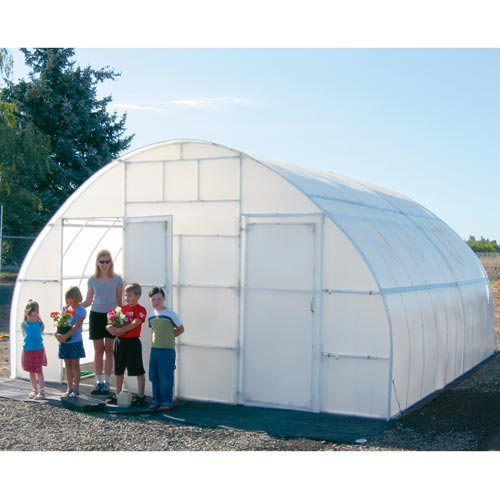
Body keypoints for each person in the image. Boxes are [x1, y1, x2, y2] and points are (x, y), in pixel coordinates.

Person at [81, 249, 123, 395]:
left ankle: (106, 382)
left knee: (109, 350)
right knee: (98, 350)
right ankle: (97, 381)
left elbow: (119, 301)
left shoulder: (117, 279)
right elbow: (87, 301)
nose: (105, 264)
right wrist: (73, 306)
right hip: (96, 315)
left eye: (107, 261)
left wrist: (124, 317)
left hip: (112, 316)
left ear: (111, 262)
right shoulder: (92, 280)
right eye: (102, 261)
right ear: (97, 263)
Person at [105, 283, 147, 406]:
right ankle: (118, 394)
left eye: (129, 295)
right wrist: (110, 328)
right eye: (125, 295)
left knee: (138, 369)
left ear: (138, 296)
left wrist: (121, 330)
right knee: (118, 370)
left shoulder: (140, 309)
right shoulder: (121, 309)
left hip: (132, 342)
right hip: (120, 342)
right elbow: (109, 322)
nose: (126, 298)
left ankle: (140, 395)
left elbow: (136, 323)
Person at [147, 286, 184, 411]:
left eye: (158, 299)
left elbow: (180, 329)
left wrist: (169, 336)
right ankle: (156, 399)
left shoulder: (170, 314)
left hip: (167, 350)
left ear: (163, 299)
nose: (156, 302)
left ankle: (166, 401)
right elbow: (153, 330)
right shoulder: (151, 315)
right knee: (154, 375)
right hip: (154, 349)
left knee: (165, 377)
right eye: (153, 300)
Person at [55, 286, 87, 398]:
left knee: (75, 365)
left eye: (71, 298)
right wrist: (58, 334)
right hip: (65, 342)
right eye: (67, 298)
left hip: (75, 341)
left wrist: (65, 336)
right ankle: (69, 388)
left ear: (77, 298)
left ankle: (76, 389)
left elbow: (76, 326)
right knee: (67, 365)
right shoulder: (65, 309)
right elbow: (60, 324)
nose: (69, 300)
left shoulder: (81, 310)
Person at [21, 300, 47, 400]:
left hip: (38, 350)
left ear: (38, 314)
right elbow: (25, 336)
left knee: (39, 370)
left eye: (35, 315)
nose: (33, 318)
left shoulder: (40, 324)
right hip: (28, 350)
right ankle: (34, 389)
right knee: (31, 371)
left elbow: (39, 334)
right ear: (26, 314)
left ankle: (42, 391)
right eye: (30, 315)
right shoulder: (24, 324)